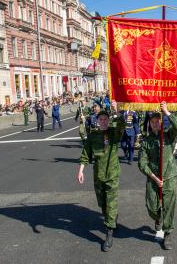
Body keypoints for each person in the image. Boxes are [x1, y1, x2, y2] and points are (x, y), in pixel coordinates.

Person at [77, 101, 125, 252]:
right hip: (98, 175)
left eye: (106, 119)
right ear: (97, 121)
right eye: (101, 119)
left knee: (111, 203)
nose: (104, 121)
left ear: (109, 120)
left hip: (112, 174)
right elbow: (86, 155)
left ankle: (109, 233)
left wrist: (115, 110)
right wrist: (81, 170)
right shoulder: (92, 136)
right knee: (102, 204)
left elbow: (121, 125)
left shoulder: (113, 133)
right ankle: (111, 217)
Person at [138, 102, 177, 250]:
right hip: (153, 178)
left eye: (158, 121)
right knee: (152, 207)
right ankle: (157, 218)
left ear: (161, 122)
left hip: (169, 177)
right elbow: (142, 163)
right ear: (150, 123)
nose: (156, 124)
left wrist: (167, 111)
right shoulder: (146, 141)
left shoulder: (168, 135)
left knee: (169, 207)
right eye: (153, 122)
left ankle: (167, 233)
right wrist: (154, 178)